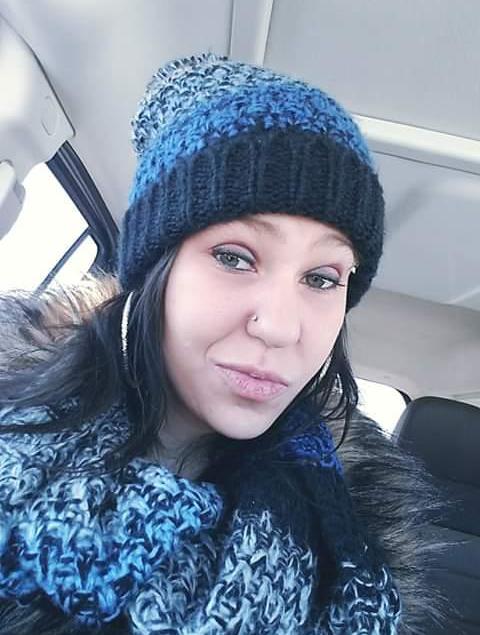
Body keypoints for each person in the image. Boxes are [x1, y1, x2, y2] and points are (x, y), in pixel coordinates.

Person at [0, 53, 441, 634]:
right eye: (234, 257)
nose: (279, 326)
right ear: (154, 271)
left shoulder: (355, 550)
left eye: (321, 278)